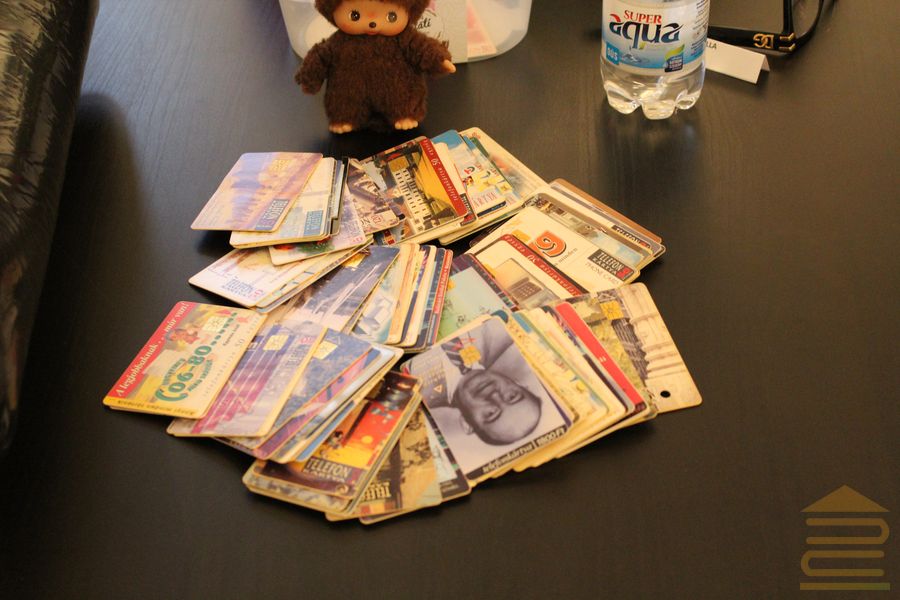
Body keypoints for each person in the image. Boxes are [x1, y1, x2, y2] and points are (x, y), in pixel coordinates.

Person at [431, 318, 544, 446]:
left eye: (491, 413)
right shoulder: (504, 328)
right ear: (518, 384)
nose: (495, 395)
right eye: (512, 396)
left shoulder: (417, 390)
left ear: (466, 423)